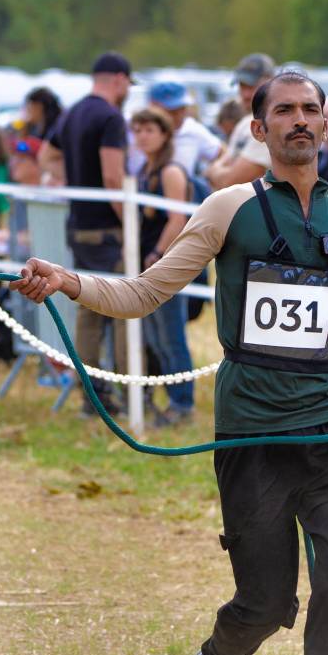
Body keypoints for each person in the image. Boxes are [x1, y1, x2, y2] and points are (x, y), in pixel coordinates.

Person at [14, 68, 328, 655]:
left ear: (327, 125)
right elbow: (144, 292)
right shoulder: (230, 209)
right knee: (266, 602)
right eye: (284, 112)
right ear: (258, 129)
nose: (300, 121)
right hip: (251, 432)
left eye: (311, 110)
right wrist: (69, 281)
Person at [39, 51, 132, 416]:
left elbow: (47, 155)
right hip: (107, 230)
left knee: (88, 311)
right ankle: (128, 392)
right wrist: (131, 223)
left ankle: (90, 394)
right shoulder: (110, 117)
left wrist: (71, 181)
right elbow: (112, 177)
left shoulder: (73, 112)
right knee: (125, 310)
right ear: (120, 79)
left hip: (78, 225)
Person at [130, 105, 195, 425]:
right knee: (156, 338)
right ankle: (171, 398)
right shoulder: (145, 169)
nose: (142, 136)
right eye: (138, 130)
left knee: (172, 337)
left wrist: (157, 254)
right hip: (149, 265)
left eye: (149, 130)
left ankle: (183, 403)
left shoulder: (171, 171)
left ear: (165, 134)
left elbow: (178, 220)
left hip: (167, 265)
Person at [206, 53, 276, 189]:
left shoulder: (268, 124)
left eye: (251, 86)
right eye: (242, 86)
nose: (245, 94)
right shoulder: (246, 121)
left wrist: (215, 171)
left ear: (270, 82)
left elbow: (230, 182)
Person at [145, 82, 223, 179]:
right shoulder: (136, 130)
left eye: (182, 108)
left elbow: (222, 153)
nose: (180, 114)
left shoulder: (192, 129)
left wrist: (210, 173)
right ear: (153, 107)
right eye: (172, 110)